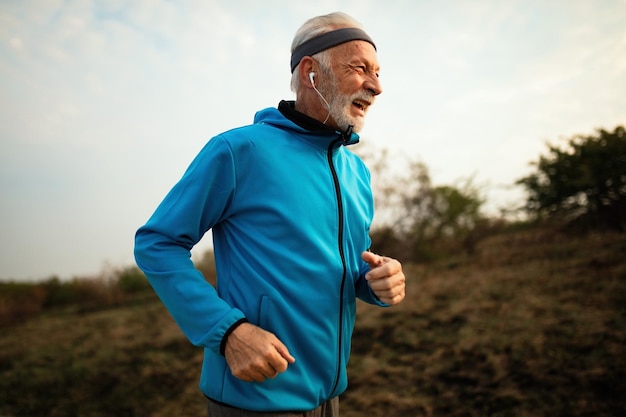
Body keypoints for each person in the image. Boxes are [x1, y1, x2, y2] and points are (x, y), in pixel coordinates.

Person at [134, 11, 406, 417]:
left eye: (379, 72)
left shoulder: (357, 172)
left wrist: (377, 279)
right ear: (311, 71)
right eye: (360, 68)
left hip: (330, 398)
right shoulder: (238, 151)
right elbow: (157, 244)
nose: (377, 86)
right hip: (253, 399)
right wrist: (228, 333)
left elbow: (349, 265)